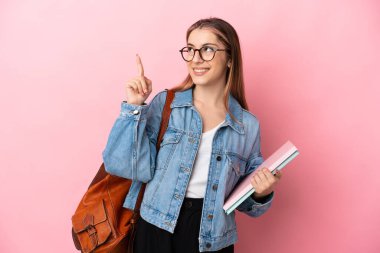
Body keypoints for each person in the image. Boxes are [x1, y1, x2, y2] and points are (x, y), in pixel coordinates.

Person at [102, 17, 282, 253]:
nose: (196, 59)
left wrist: (262, 192)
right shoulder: (166, 104)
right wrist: (133, 107)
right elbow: (123, 166)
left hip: (213, 238)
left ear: (230, 58)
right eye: (190, 49)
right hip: (156, 228)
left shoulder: (247, 125)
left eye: (207, 49)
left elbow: (246, 202)